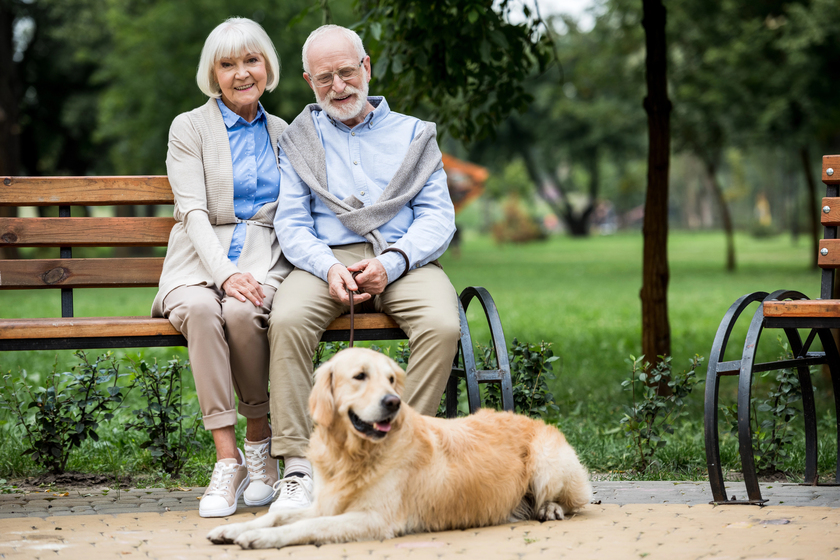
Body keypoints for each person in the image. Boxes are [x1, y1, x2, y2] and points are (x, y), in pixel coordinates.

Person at [266, 24, 461, 512]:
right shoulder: (298, 138)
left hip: (402, 257)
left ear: (367, 67)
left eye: (347, 72)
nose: (339, 87)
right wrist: (327, 266)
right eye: (325, 78)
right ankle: (297, 466)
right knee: (286, 320)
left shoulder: (415, 135)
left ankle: (400, 451)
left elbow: (439, 216)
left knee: (441, 324)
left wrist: (393, 262)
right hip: (324, 260)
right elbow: (290, 222)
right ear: (309, 80)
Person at [151, 17, 292, 518]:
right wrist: (224, 272)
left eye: (251, 60)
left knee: (239, 312)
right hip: (195, 260)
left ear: (267, 67)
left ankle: (260, 443)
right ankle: (227, 459)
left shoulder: (285, 133)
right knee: (203, 309)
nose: (240, 73)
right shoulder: (189, 127)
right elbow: (190, 210)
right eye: (227, 64)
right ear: (213, 72)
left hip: (264, 261)